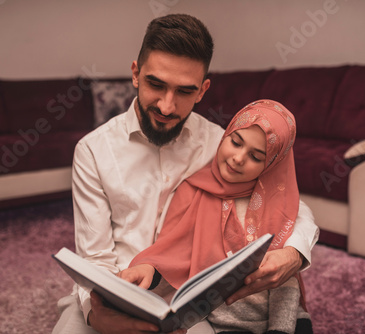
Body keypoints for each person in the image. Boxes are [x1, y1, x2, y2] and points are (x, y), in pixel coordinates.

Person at [52, 13, 319, 334]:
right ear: (135, 73)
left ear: (203, 90)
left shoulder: (222, 144)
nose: (167, 106)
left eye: (184, 91)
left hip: (191, 301)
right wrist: (98, 316)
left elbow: (285, 200)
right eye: (156, 84)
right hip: (114, 290)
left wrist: (294, 252)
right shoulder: (92, 150)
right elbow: (95, 258)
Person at [120, 100, 314, 334]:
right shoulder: (192, 191)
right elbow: (172, 249)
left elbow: (286, 278)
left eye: (256, 157)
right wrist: (148, 268)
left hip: (281, 315)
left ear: (271, 164)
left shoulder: (277, 201)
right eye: (235, 142)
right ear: (226, 135)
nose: (239, 158)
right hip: (222, 322)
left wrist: (279, 330)